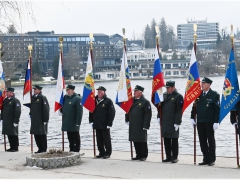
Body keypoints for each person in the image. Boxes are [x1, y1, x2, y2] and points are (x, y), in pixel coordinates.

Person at [190, 77, 220, 166]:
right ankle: (205, 158)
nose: (202, 85)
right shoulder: (198, 95)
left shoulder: (214, 95)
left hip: (209, 121)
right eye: (201, 83)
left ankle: (212, 159)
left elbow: (217, 109)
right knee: (202, 140)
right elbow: (194, 107)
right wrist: (192, 117)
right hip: (200, 121)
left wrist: (216, 121)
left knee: (210, 140)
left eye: (204, 83)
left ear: (209, 84)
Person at [158, 80, 183, 163]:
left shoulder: (178, 96)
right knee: (166, 139)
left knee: (174, 139)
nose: (167, 89)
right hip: (165, 121)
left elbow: (179, 110)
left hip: (173, 121)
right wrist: (159, 117)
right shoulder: (163, 95)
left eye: (169, 88)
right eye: (166, 88)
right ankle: (168, 156)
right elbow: (160, 108)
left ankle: (175, 157)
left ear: (173, 87)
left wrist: (177, 122)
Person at [125, 85, 152, 161]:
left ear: (141, 92)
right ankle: (138, 154)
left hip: (141, 124)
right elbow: (127, 110)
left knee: (142, 140)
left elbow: (148, 114)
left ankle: (143, 155)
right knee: (135, 139)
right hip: (133, 123)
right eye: (134, 91)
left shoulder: (145, 102)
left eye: (136, 91)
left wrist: (146, 125)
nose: (134, 92)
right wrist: (127, 119)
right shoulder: (131, 101)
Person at [89, 86, 115, 159]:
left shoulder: (108, 101)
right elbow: (90, 111)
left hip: (105, 124)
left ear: (104, 92)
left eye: (101, 91)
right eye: (98, 91)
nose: (99, 93)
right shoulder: (94, 100)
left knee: (106, 139)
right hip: (96, 123)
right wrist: (90, 121)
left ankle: (108, 153)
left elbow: (112, 113)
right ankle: (101, 152)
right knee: (99, 139)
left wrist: (110, 123)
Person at [61, 84, 83, 152]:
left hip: (74, 121)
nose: (67, 91)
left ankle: (77, 149)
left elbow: (79, 112)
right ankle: (71, 148)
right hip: (67, 120)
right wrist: (60, 110)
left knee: (75, 136)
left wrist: (78, 123)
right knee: (69, 136)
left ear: (72, 90)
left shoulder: (77, 98)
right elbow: (63, 106)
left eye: (68, 90)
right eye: (67, 90)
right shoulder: (65, 98)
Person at [30, 85, 50, 153]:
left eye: (35, 89)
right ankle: (39, 148)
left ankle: (43, 149)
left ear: (39, 90)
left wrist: (45, 120)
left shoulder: (42, 98)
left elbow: (46, 109)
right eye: (34, 89)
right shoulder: (33, 98)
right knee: (36, 134)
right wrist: (30, 114)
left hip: (41, 119)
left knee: (42, 134)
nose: (34, 90)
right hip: (35, 120)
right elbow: (32, 107)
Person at [1, 87, 21, 152]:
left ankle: (15, 147)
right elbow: (3, 110)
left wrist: (16, 121)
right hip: (7, 121)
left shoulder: (15, 100)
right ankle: (11, 147)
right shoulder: (5, 100)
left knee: (14, 134)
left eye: (8, 92)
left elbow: (17, 111)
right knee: (9, 134)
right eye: (6, 92)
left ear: (12, 93)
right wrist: (2, 118)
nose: (6, 93)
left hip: (12, 120)